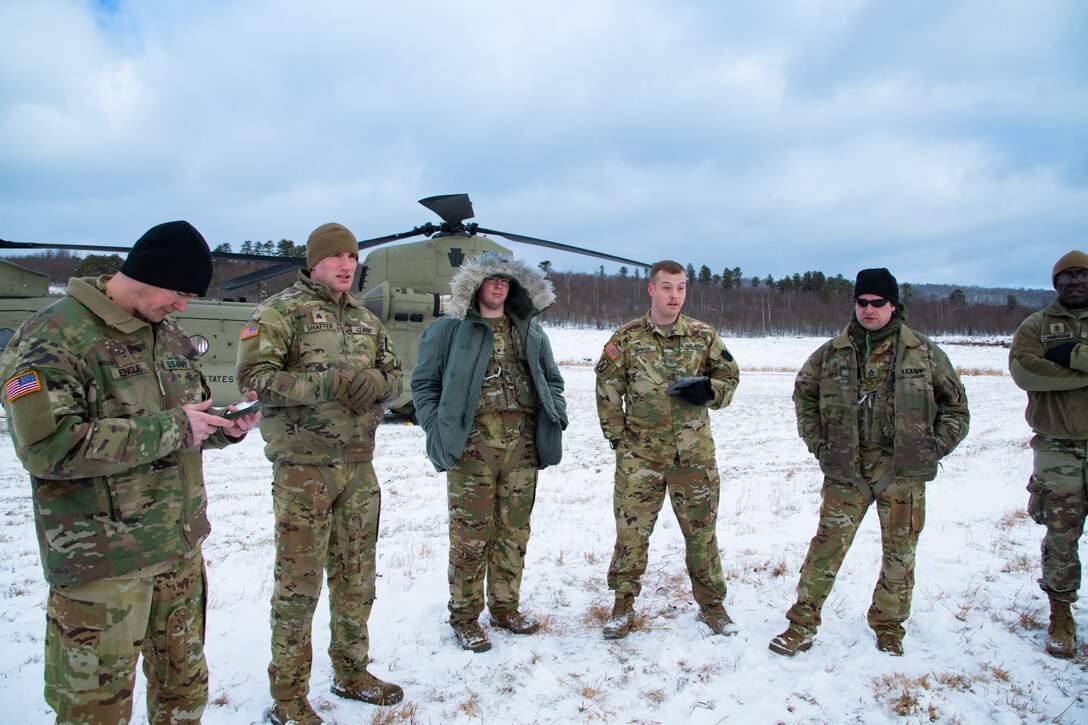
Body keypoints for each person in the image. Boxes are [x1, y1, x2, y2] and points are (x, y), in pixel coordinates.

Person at [0, 221, 260, 724]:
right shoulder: (53, 336)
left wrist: (223, 429)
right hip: (105, 569)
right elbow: (46, 449)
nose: (184, 305)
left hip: (179, 553)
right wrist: (173, 428)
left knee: (184, 697)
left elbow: (185, 426)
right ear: (144, 274)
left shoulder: (169, 337)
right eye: (180, 292)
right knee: (95, 712)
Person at [236, 223, 404, 725]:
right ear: (314, 263)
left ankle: (351, 671)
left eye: (353, 256)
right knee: (299, 586)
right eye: (336, 257)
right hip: (303, 470)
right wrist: (326, 383)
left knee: (356, 577)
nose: (347, 265)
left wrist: (376, 381)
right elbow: (254, 379)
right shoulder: (279, 311)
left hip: (358, 467)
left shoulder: (365, 320)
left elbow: (395, 376)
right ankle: (288, 696)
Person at [769, 268, 969, 657]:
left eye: (878, 303)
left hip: (902, 472)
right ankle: (801, 624)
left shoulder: (924, 353)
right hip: (847, 471)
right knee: (826, 549)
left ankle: (889, 625)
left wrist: (932, 448)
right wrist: (819, 444)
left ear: (894, 305)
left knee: (900, 553)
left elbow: (956, 409)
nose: (869, 310)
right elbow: (804, 397)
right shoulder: (831, 353)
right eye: (862, 302)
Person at [411, 251, 567, 653]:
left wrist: (556, 414)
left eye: (506, 281)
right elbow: (424, 385)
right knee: (469, 539)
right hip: (473, 449)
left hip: (523, 448)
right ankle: (464, 617)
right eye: (491, 279)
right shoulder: (449, 330)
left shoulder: (530, 332)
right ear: (476, 284)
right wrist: (437, 428)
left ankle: (505, 608)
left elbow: (553, 380)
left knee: (514, 534)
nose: (499, 286)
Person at [595, 260, 741, 639]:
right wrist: (618, 440)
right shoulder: (626, 338)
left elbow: (730, 375)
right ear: (651, 290)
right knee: (631, 535)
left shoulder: (702, 335)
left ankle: (712, 605)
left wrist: (711, 391)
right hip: (640, 458)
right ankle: (622, 605)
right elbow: (608, 391)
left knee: (702, 534)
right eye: (666, 287)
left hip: (693, 457)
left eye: (680, 288)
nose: (674, 295)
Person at [1009, 250, 1088, 659]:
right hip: (1056, 446)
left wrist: (1071, 356)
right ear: (1055, 283)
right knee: (1061, 532)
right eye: (1067, 276)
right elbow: (1024, 370)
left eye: (1082, 274)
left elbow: (1045, 370)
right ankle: (1061, 614)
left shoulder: (1057, 340)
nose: (1075, 281)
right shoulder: (1037, 326)